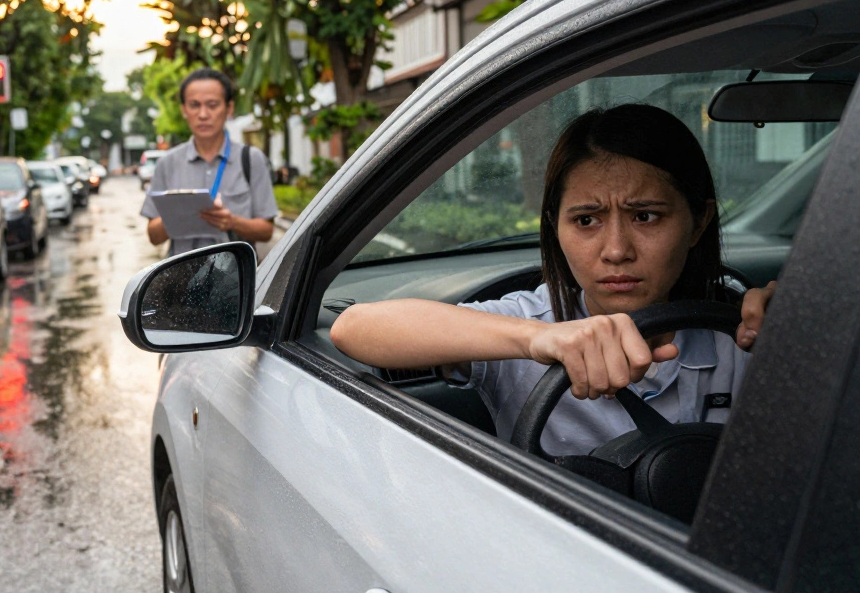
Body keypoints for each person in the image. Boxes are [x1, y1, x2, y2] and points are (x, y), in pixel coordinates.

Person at [330, 104, 778, 457]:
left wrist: (799, 329)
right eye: (586, 221)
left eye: (645, 216)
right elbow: (355, 328)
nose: (616, 249)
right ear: (555, 227)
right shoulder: (532, 323)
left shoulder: (736, 327)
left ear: (699, 222)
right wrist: (538, 340)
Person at [141, 68, 279, 256]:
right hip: (182, 281)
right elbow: (153, 236)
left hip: (237, 279)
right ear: (184, 110)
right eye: (194, 105)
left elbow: (266, 230)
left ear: (229, 108)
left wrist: (232, 222)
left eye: (212, 105)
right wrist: (178, 215)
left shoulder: (251, 159)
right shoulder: (167, 163)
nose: (203, 114)